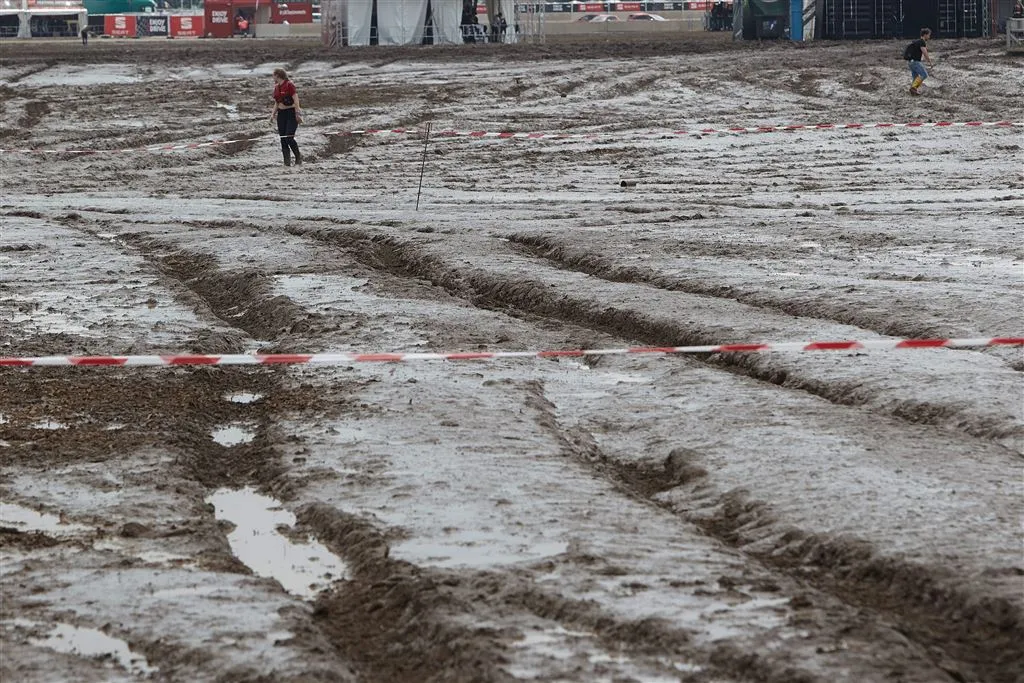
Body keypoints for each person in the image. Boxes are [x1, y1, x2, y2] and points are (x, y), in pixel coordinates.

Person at [270, 68, 302, 166]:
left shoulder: (289, 85)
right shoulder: (276, 87)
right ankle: (286, 163)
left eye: (273, 75)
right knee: (283, 139)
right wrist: (272, 115)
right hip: (281, 114)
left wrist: (297, 113)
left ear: (277, 75)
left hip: (291, 113)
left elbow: (296, 100)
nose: (272, 77)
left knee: (289, 137)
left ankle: (298, 157)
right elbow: (276, 103)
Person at [905, 28, 934, 96]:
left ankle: (913, 91)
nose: (929, 37)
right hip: (915, 62)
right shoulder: (922, 42)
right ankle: (914, 88)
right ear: (925, 35)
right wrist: (930, 62)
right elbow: (925, 52)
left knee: (915, 78)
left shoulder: (916, 41)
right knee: (924, 74)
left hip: (910, 62)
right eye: (929, 35)